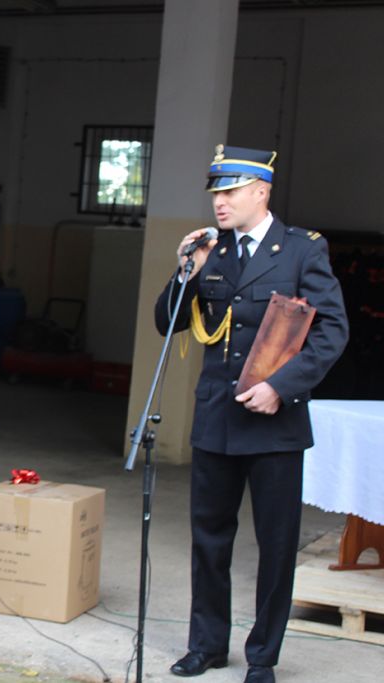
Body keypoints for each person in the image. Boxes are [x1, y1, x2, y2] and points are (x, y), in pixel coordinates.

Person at [156, 146, 348, 683]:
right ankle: (207, 645)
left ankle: (262, 656)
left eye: (231, 192)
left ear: (261, 192)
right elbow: (167, 323)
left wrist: (281, 388)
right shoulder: (210, 251)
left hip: (274, 424)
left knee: (276, 545)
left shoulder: (302, 250)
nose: (219, 202)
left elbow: (332, 330)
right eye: (216, 193)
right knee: (209, 539)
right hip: (217, 418)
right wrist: (185, 272)